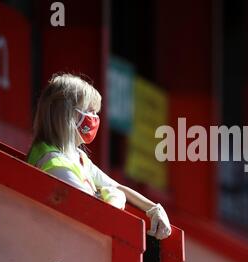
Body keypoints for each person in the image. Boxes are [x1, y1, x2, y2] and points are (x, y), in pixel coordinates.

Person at [27, 73, 171, 240]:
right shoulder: (55, 163)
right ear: (69, 115)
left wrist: (154, 208)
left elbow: (116, 186)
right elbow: (94, 217)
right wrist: (116, 200)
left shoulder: (76, 155)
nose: (95, 118)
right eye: (90, 111)